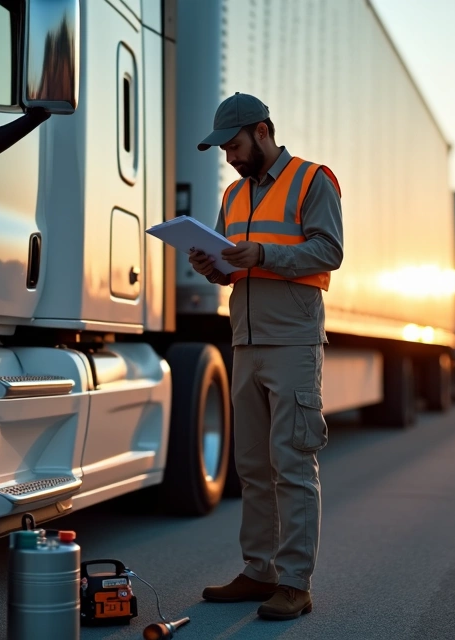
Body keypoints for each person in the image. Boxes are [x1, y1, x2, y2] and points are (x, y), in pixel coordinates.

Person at [189, 92, 344, 620]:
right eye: (223, 151)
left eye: (234, 146)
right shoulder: (233, 197)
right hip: (245, 342)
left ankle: (295, 584)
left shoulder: (312, 180)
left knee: (293, 465)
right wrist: (211, 266)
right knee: (252, 466)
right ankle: (260, 572)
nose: (229, 157)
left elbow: (330, 250)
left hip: (294, 342)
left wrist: (264, 254)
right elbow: (233, 265)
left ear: (262, 131)